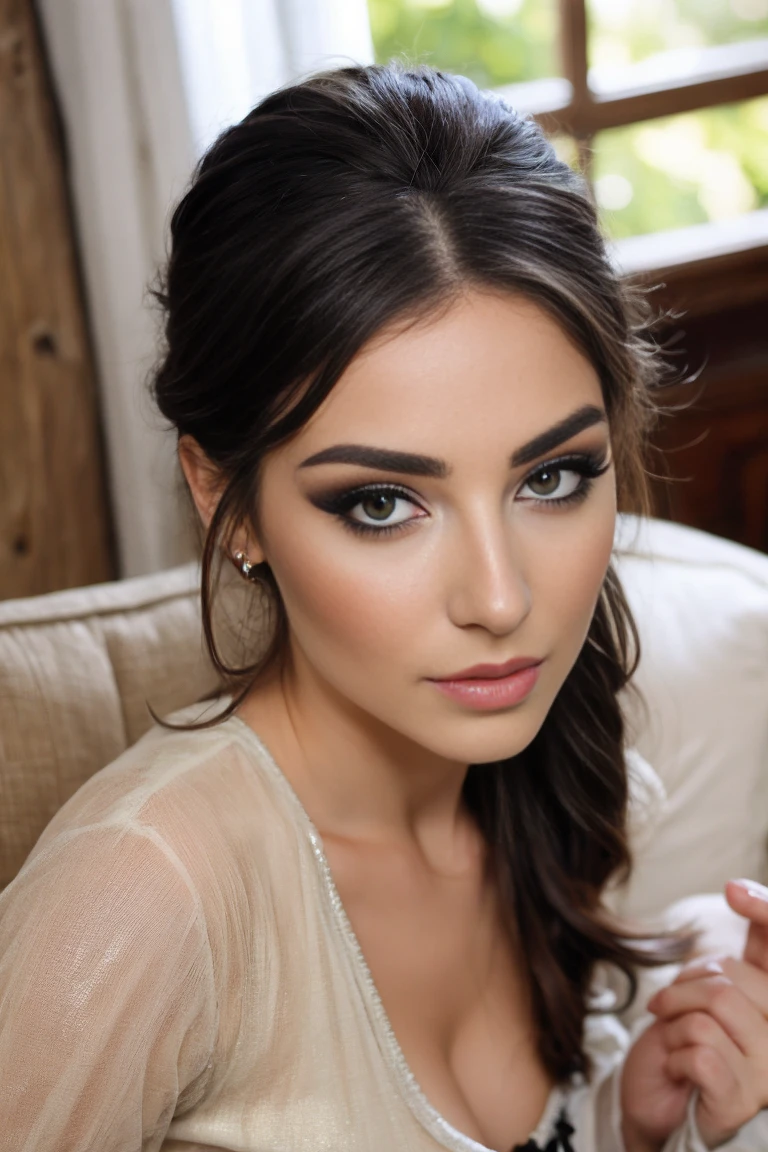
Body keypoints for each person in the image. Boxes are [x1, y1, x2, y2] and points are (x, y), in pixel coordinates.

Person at [1, 62, 767, 1152]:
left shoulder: (544, 789)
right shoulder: (143, 897)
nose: (502, 600)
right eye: (381, 503)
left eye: (550, 478)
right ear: (228, 497)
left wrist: (637, 1120)